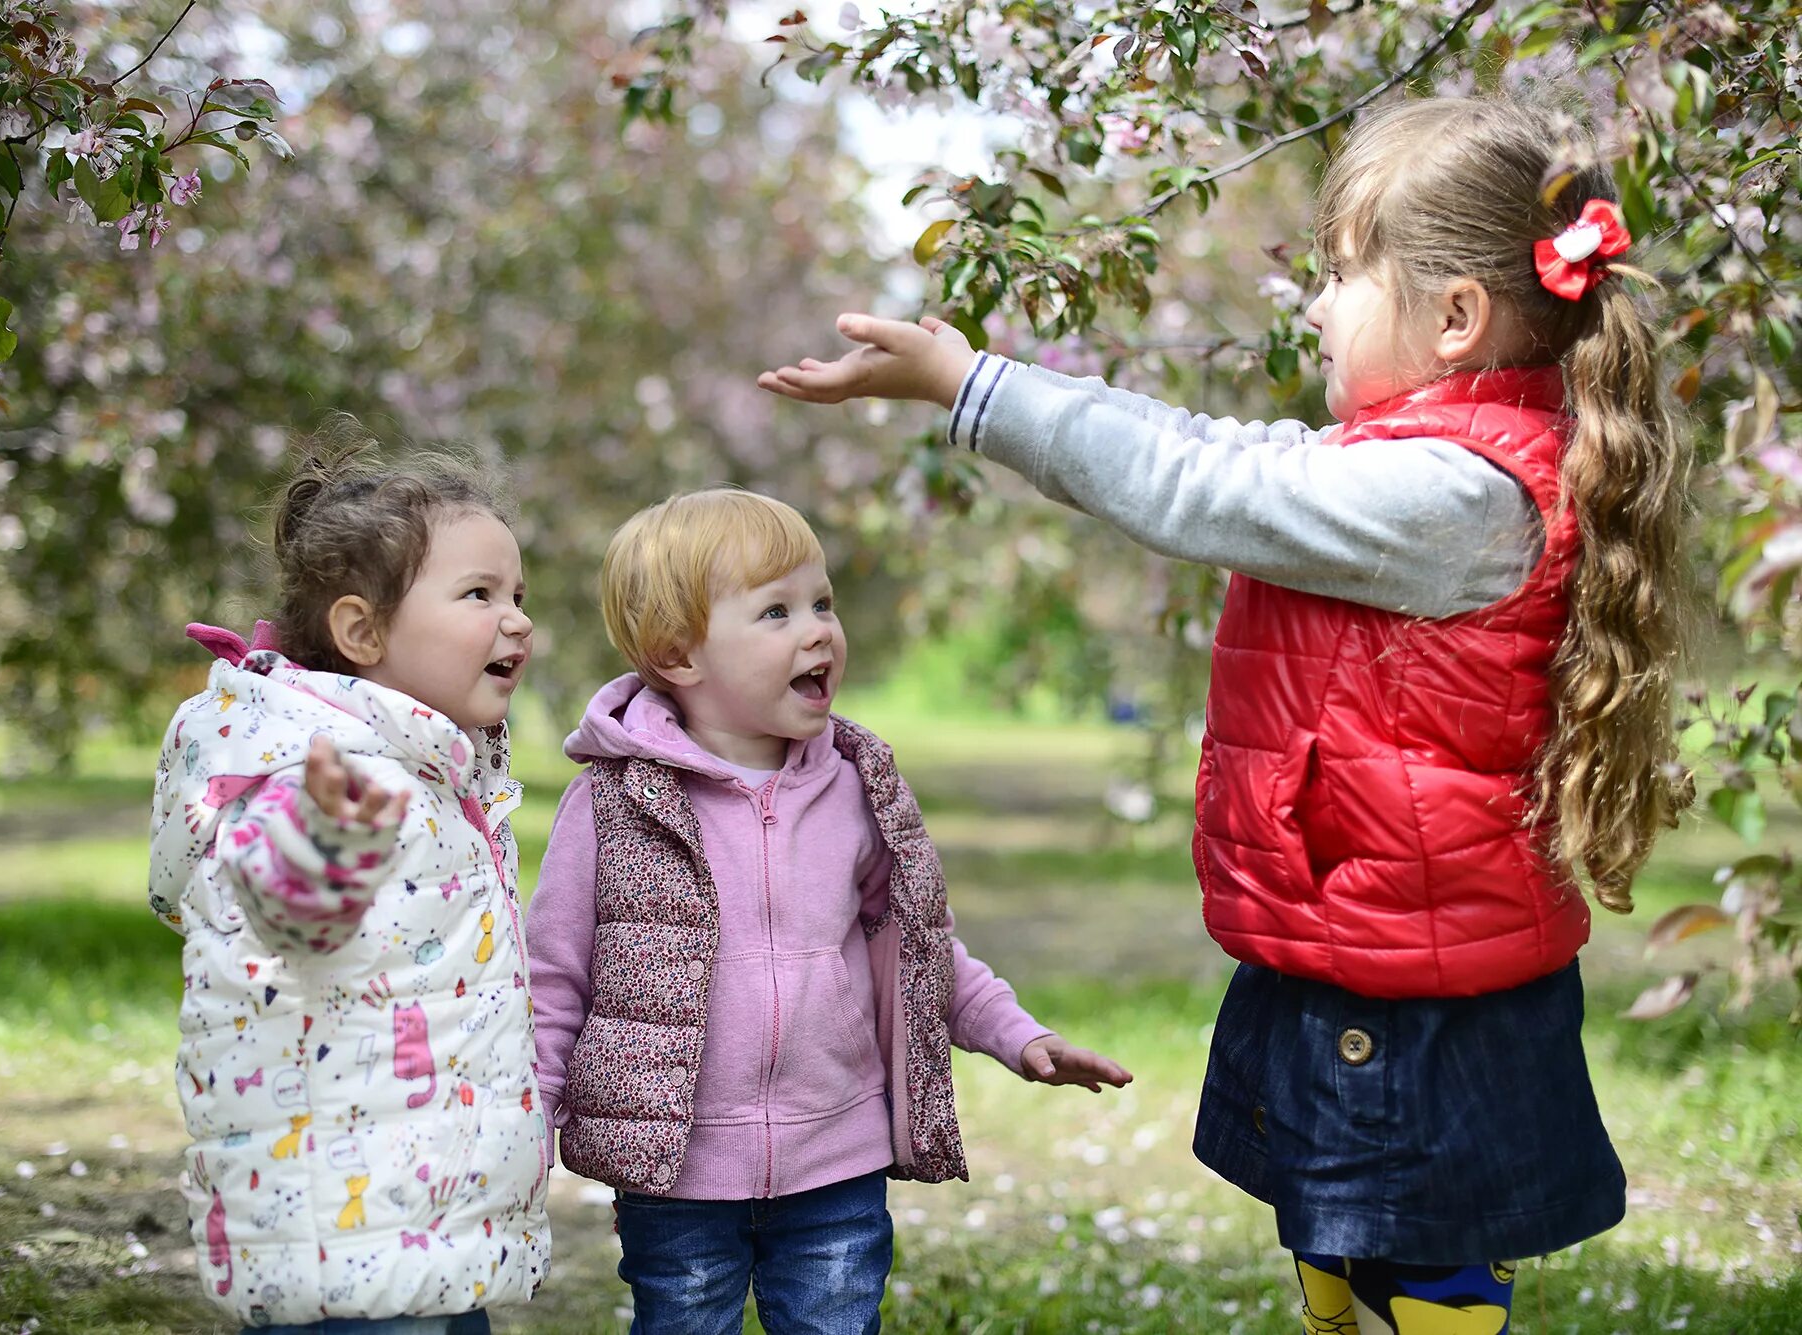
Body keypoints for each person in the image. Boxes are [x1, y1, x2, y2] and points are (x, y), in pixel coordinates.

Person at [759, 96, 1690, 1334]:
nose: (1313, 304)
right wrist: (979, 384)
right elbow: (1216, 449)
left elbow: (1203, 489)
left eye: (1343, 273)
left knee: (1409, 1261)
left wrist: (964, 382)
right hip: (1363, 953)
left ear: (1455, 316)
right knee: (1340, 1238)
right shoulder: (1422, 463)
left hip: (1406, 997)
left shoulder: (1449, 490)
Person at [526, 487, 1130, 1334]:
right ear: (679, 653)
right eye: (776, 611)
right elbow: (554, 982)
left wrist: (1018, 1034)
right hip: (679, 1168)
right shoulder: (612, 804)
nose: (818, 629)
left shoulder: (854, 787)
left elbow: (918, 948)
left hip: (837, 1157)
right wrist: (527, 1122)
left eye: (823, 602)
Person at [148, 424, 549, 1332]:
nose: (517, 617)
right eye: (480, 593)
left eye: (519, 592)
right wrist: (324, 841)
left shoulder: (431, 765)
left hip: (423, 1217)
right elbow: (284, 901)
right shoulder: (307, 769)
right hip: (342, 1231)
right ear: (362, 630)